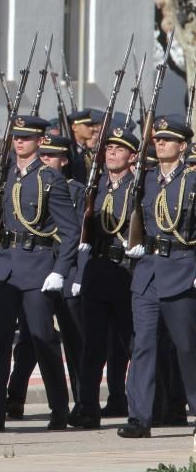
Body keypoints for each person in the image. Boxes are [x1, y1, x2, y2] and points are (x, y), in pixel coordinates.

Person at [0, 115, 80, 432]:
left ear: (39, 141)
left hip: (37, 266)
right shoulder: (5, 178)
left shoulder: (50, 179)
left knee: (43, 340)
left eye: (26, 137)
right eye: (16, 137)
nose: (19, 142)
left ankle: (59, 409)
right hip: (5, 268)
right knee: (1, 343)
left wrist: (60, 270)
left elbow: (71, 230)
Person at [118, 116, 196, 438]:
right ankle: (140, 418)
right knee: (142, 346)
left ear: (183, 145)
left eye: (168, 139)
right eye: (158, 139)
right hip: (147, 273)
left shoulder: (192, 180)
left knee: (187, 347)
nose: (160, 143)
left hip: (181, 269)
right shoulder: (146, 179)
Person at [72, 125, 137, 429]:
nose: (112, 153)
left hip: (126, 273)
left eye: (119, 149)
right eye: (109, 148)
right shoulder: (95, 186)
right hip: (97, 271)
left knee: (134, 346)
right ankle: (87, 408)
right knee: (92, 347)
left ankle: (147, 404)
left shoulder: (137, 188)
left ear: (132, 156)